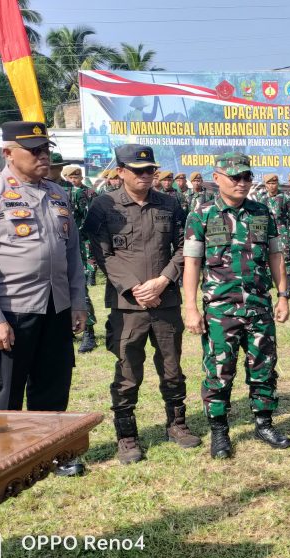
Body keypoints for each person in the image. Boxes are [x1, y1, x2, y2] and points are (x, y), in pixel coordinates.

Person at [0, 121, 88, 477]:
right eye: (34, 150)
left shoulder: (58, 194)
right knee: (6, 391)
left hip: (56, 306)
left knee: (53, 383)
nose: (43, 156)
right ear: (7, 153)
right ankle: (1, 461)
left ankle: (51, 454)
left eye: (45, 149)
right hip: (11, 310)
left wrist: (78, 303)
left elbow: (72, 255)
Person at [83, 144, 200, 464]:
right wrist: (134, 288)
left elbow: (184, 248)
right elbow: (101, 253)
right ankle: (127, 435)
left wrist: (163, 280)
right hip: (127, 306)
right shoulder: (103, 206)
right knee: (127, 371)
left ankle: (177, 423)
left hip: (165, 301)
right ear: (120, 171)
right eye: (139, 170)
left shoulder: (171, 204)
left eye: (150, 170)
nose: (147, 176)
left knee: (172, 367)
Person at [183, 152, 290, 459]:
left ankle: (263, 423)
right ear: (216, 178)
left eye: (247, 177)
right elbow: (191, 263)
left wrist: (283, 295)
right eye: (236, 177)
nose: (243, 183)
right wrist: (190, 308)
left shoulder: (262, 212)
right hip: (220, 309)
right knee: (219, 371)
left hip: (259, 307)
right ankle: (220, 432)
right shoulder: (201, 214)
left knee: (263, 367)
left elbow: (275, 256)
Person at [63, 166, 99, 353]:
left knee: (80, 288)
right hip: (58, 248)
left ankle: (89, 332)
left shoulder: (85, 193)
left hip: (78, 245)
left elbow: (89, 219)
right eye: (70, 177)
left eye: (76, 176)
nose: (73, 179)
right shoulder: (56, 191)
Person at [261, 173, 290, 290]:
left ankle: (289, 280)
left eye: (274, 183)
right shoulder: (262, 199)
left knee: (285, 254)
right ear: (265, 185)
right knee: (267, 254)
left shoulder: (285, 197)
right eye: (269, 183)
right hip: (267, 231)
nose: (272, 186)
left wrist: (287, 228)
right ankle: (270, 280)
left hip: (282, 230)